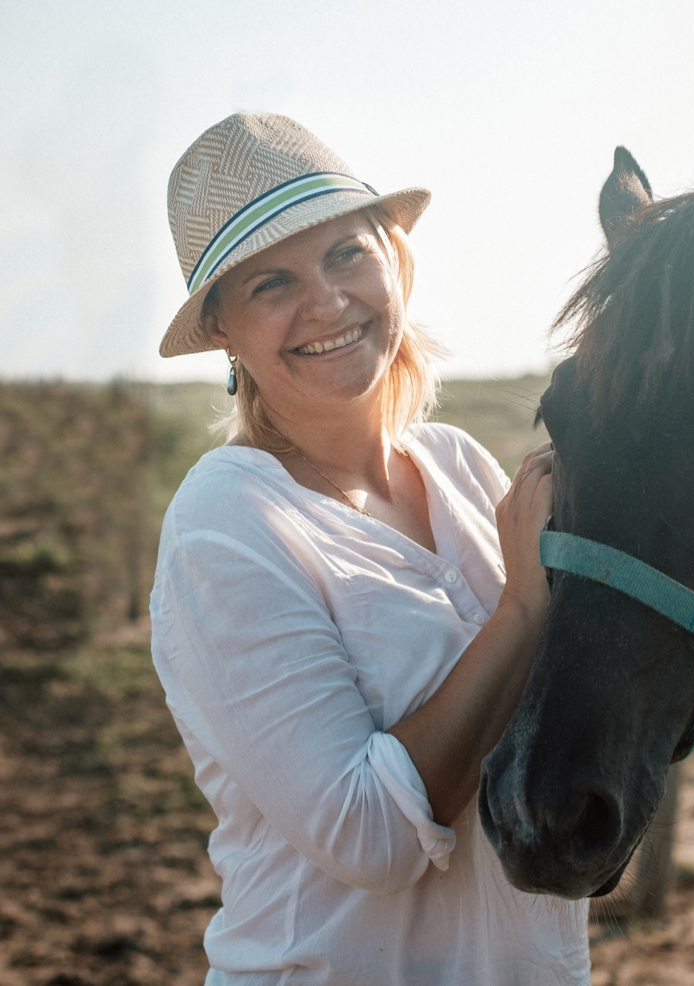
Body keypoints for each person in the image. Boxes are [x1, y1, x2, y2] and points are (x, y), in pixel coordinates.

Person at [149, 112, 590, 985]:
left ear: (396, 263)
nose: (327, 302)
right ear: (224, 333)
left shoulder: (460, 466)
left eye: (347, 254)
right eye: (271, 282)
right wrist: (523, 609)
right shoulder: (227, 524)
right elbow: (374, 837)